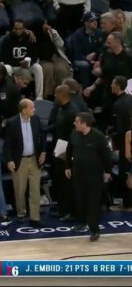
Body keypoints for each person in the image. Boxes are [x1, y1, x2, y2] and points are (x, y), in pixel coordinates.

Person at [65, 112, 112, 242]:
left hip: (94, 175)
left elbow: (106, 155)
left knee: (94, 202)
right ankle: (81, 223)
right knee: (80, 200)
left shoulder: (99, 137)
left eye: (76, 122)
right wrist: (68, 166)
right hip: (78, 173)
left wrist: (107, 171)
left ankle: (94, 229)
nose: (74, 123)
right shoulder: (74, 133)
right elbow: (69, 150)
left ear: (84, 124)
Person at [3, 99, 47, 226]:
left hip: (34, 159)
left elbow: (43, 136)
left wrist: (43, 152)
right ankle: (21, 213)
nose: (34, 110)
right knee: (20, 189)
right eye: (32, 108)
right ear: (24, 110)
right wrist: (9, 160)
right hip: (19, 160)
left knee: (35, 190)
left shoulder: (36, 119)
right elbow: (8, 145)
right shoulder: (12, 123)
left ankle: (35, 217)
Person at [47, 84, 79, 220]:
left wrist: (69, 154)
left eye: (56, 94)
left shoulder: (72, 111)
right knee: (58, 178)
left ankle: (68, 211)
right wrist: (44, 129)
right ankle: (62, 208)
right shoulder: (61, 108)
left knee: (66, 180)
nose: (55, 96)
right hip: (59, 146)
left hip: (67, 149)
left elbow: (74, 135)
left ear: (62, 95)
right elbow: (57, 125)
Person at [0, 19, 44, 100]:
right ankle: (7, 96)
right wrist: (19, 63)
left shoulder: (30, 38)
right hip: (13, 66)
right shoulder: (7, 40)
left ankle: (39, 97)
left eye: (20, 29)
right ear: (13, 29)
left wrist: (29, 63)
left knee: (38, 67)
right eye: (15, 29)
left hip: (26, 66)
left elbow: (34, 56)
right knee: (6, 68)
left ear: (24, 29)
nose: (17, 31)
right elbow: (5, 59)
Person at [110, 75, 132, 210]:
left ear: (117, 86)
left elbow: (119, 129)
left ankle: (127, 204)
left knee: (125, 172)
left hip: (126, 144)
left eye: (112, 83)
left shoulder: (118, 104)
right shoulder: (130, 99)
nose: (111, 86)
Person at [37, 21, 72, 99]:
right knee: (48, 69)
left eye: (47, 24)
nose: (45, 26)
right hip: (43, 60)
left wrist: (52, 33)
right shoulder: (35, 34)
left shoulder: (53, 32)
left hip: (57, 57)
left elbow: (61, 44)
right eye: (44, 24)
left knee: (61, 69)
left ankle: (62, 95)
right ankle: (48, 96)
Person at [70, 11, 103, 88]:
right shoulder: (78, 35)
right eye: (92, 21)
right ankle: (85, 87)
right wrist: (87, 60)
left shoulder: (99, 32)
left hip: (95, 59)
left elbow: (102, 48)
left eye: (95, 20)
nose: (95, 23)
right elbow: (76, 54)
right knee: (85, 65)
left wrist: (97, 57)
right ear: (85, 23)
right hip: (79, 59)